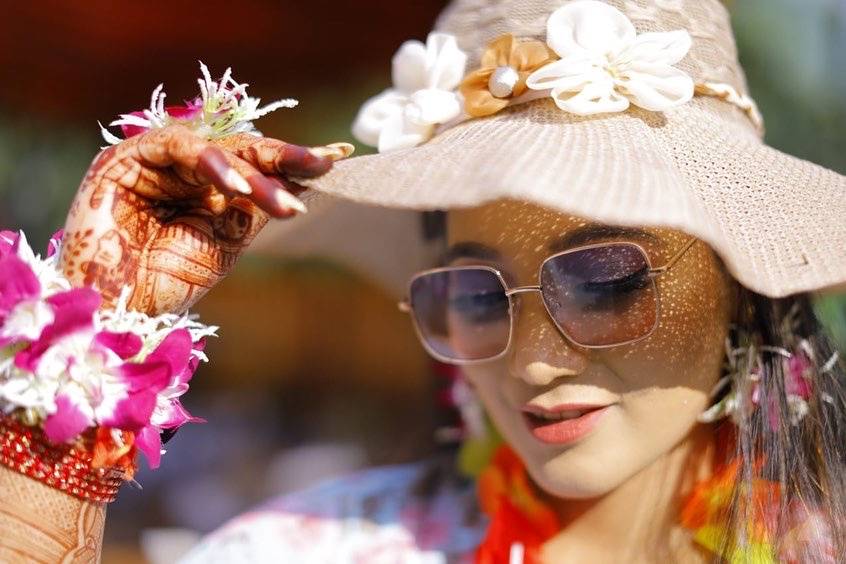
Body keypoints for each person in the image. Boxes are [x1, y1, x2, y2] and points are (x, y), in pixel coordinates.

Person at [1, 0, 845, 562]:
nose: (535, 363)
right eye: (473, 295)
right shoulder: (319, 548)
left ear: (739, 280)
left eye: (603, 277)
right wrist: (86, 355)